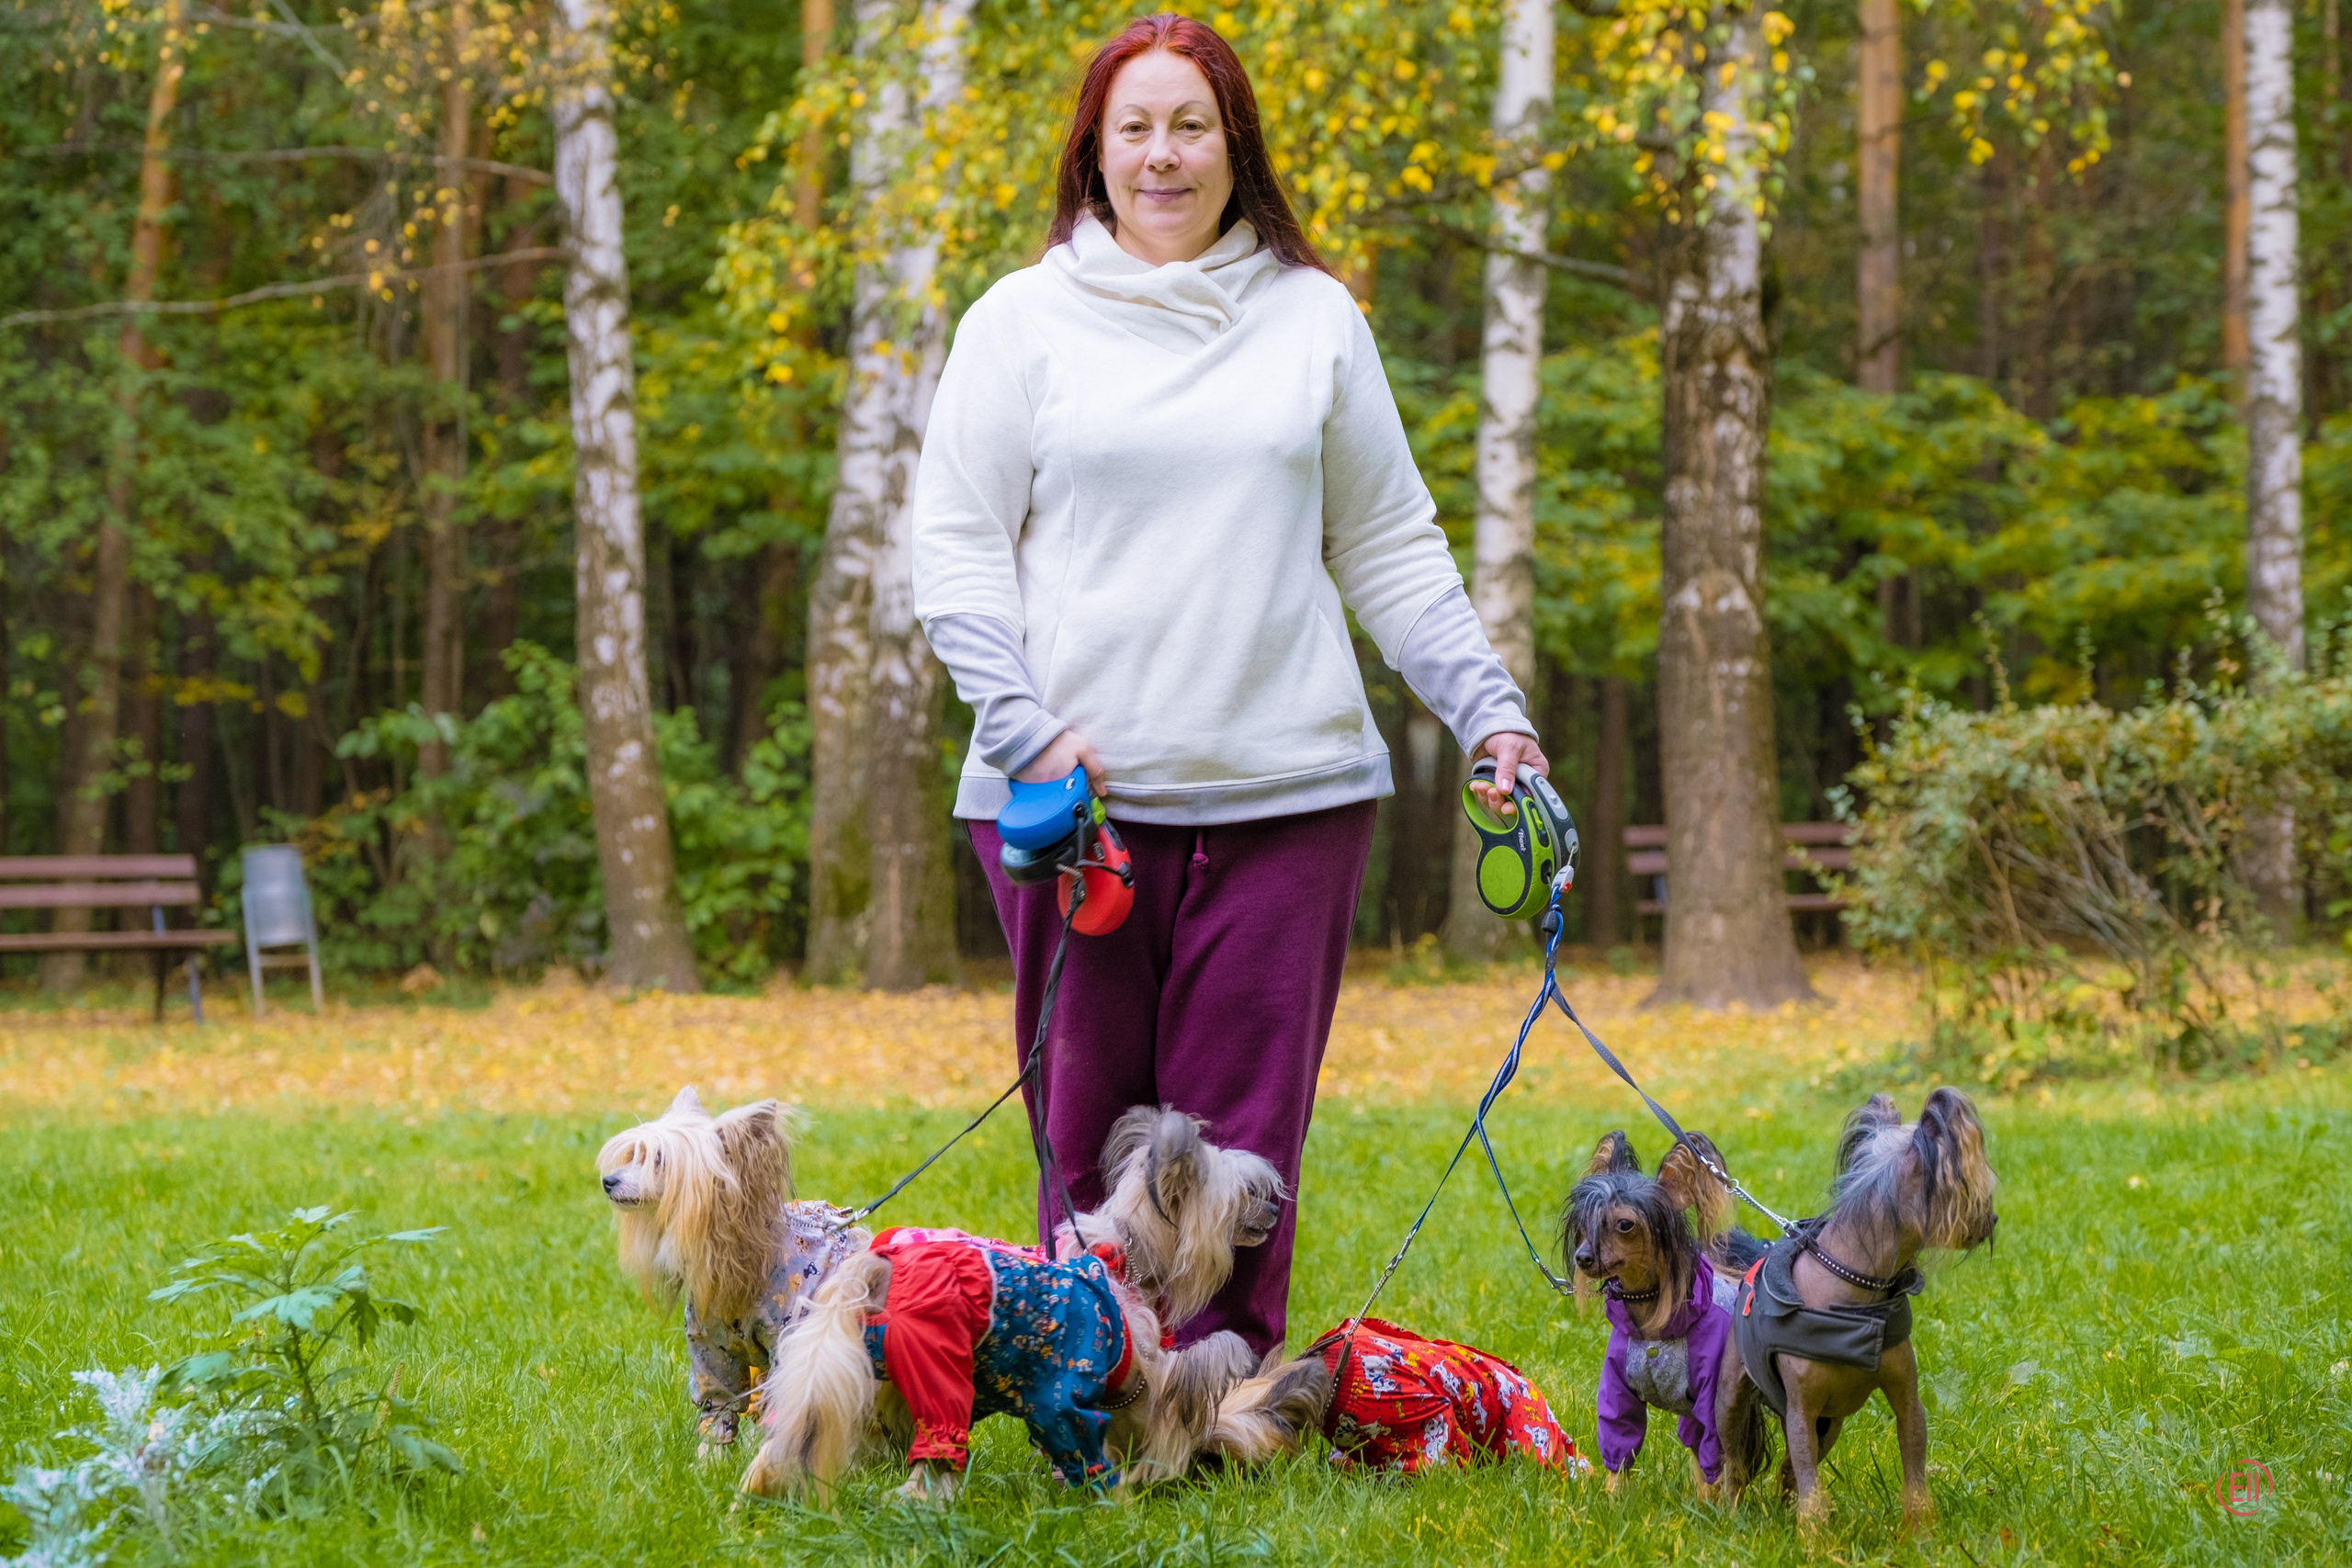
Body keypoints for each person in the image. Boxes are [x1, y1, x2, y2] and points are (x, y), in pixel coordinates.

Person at [910, 12, 1546, 1359]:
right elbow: (954, 547)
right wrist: (1024, 734)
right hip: (1070, 803)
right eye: (1133, 127)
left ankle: (1222, 1399)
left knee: (1243, 1141)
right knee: (1087, 1129)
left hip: (1289, 791)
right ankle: (1091, 1381)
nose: (1162, 155)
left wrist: (1490, 708)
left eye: (1189, 125)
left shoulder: (1314, 320)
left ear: (1233, 146)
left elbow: (1385, 542)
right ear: (1095, 151)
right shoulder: (1019, 322)